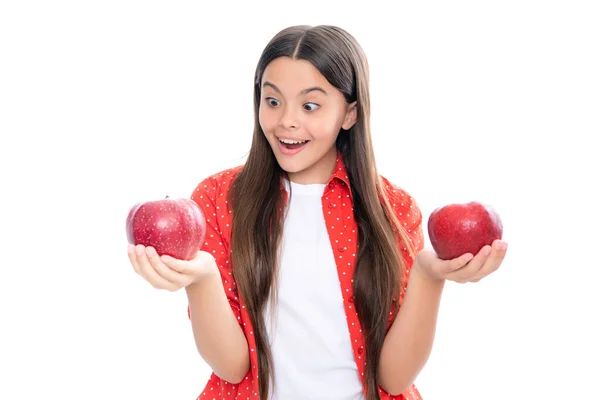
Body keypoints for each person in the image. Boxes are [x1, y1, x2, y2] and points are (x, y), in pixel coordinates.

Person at [127, 25, 508, 400]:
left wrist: (429, 275)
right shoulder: (217, 198)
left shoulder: (393, 208)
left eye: (310, 105)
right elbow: (231, 367)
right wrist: (201, 279)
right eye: (272, 101)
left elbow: (393, 378)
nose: (287, 120)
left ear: (350, 114)